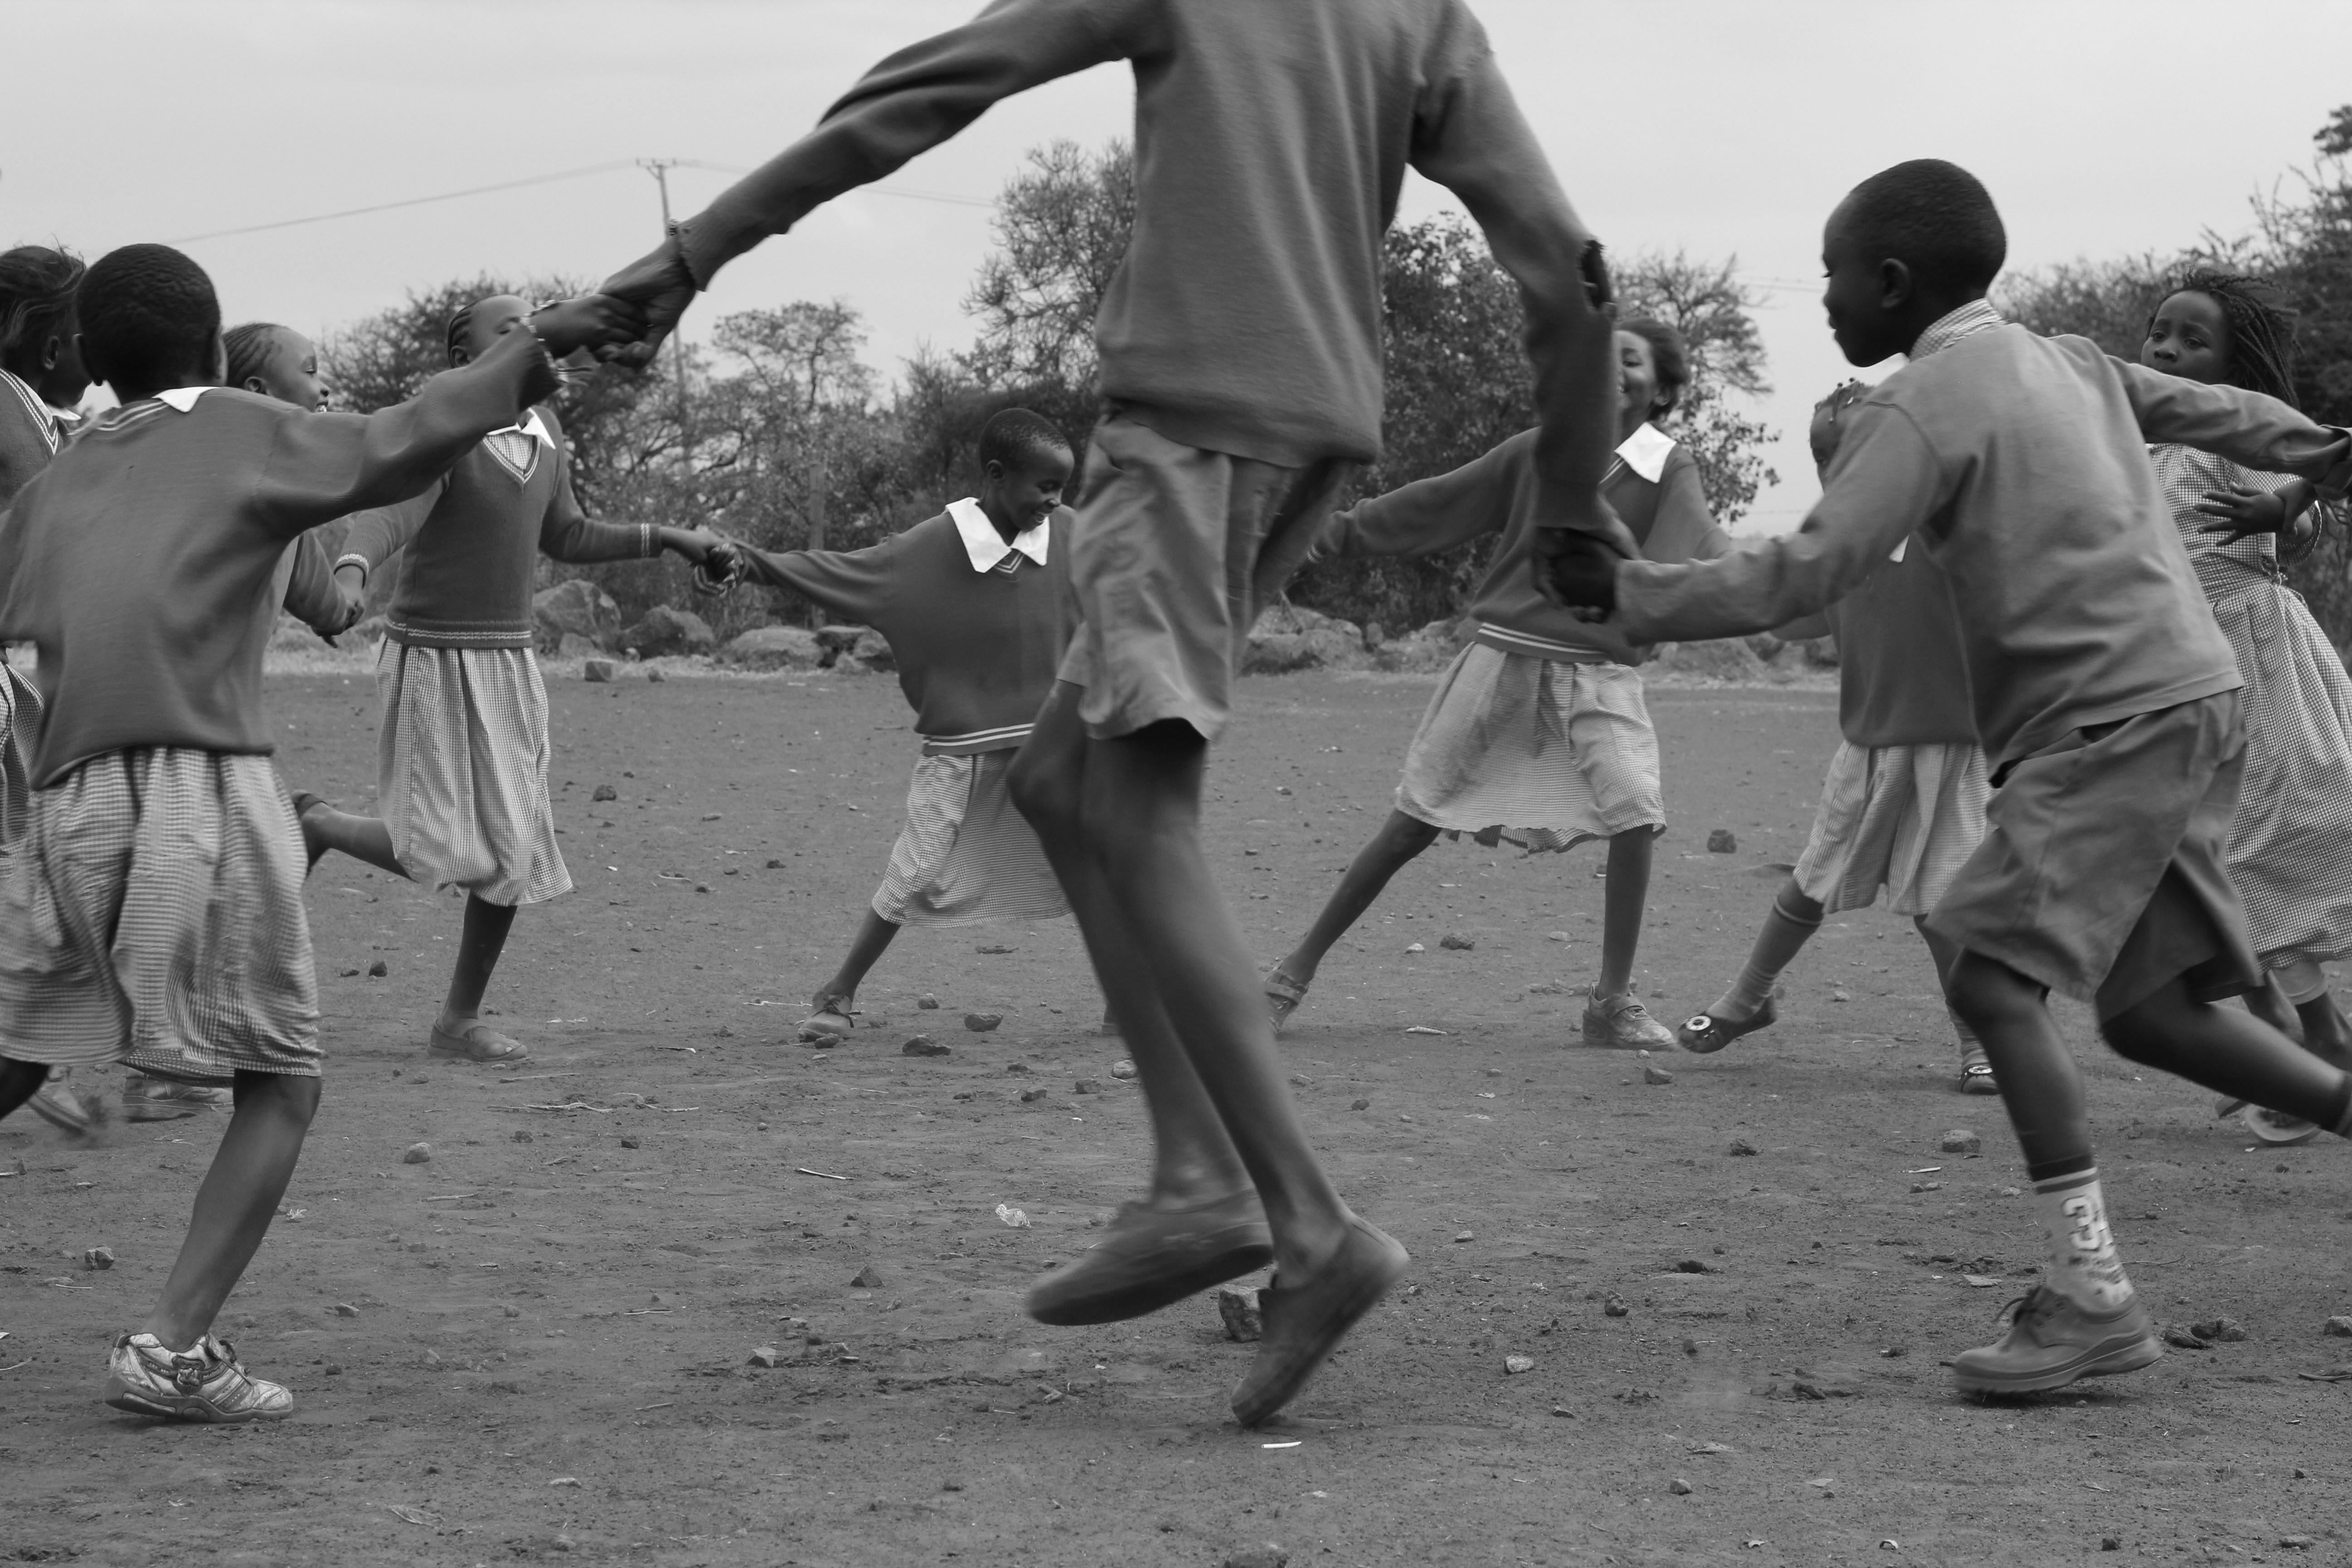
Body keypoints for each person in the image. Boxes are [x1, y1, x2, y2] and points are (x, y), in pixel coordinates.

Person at [594, 0, 1628, 1425]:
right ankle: (1201, 1177)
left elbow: (923, 90)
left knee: (1135, 813)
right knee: (1075, 786)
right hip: (1309, 438)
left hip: (1187, 433)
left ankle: (1284, 1218)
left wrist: (686, 256)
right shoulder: (1418, 18)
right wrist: (1573, 495)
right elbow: (1573, 279)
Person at [1543, 159, 2352, 1397]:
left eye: (1828, 276)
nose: (1820, 300)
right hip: (2182, 697)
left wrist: (1633, 591)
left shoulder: (1917, 407)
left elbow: (1808, 570)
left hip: (2104, 717)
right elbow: (2204, 408)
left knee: (1984, 969)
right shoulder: (2066, 359)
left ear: (1892, 282)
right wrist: (2321, 447)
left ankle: (2092, 1300)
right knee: (2148, 1013)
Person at [0, 242, 634, 1421]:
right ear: (214, 345)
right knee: (282, 1082)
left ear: (87, 356)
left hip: (66, 804)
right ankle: (176, 1348)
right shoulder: (245, 431)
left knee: (23, 1052)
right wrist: (564, 336)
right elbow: (415, 432)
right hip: (200, 788)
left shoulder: (57, 480)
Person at [1262, 319, 1726, 1048]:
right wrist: (1328, 531)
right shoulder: (1537, 452)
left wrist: (1617, 533)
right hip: (1504, 657)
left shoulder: (1670, 468)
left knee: (1638, 811)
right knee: (1413, 822)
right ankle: (1288, 978)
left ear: (1662, 388)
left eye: (1630, 361)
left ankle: (1611, 1003)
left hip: (1601, 671)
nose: (1612, 372)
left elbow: (1677, 568)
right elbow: (1433, 505)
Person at [292, 294, 721, 1067]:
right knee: (448, 847)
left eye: (537, 325)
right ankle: (319, 824)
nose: (534, 336)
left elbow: (568, 532)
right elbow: (390, 513)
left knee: (513, 849)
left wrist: (670, 539)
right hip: (432, 657)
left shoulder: (545, 432)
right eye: (511, 329)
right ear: (468, 364)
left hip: (509, 662)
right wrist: (352, 573)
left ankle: (457, 1021)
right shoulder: (448, 427)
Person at [713, 408, 1083, 1039]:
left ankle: (1126, 1001)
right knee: (914, 872)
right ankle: (838, 991)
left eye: (1062, 487)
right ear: (995, 476)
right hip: (960, 751)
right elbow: (832, 572)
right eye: (1043, 485)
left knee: (1103, 865)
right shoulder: (924, 552)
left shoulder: (1074, 536)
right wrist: (745, 561)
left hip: (1054, 744)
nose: (1054, 499)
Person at [1676, 379, 1995, 1094]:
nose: (1839, 470)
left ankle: (1981, 1042)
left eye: (1858, 452)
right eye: (1826, 456)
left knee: (1943, 909)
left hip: (1951, 746)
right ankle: (1748, 998)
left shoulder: (1951, 531)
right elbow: (1788, 614)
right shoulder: (1836, 549)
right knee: (1810, 882)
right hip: (1869, 745)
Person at [2135, 273, 2352, 1144]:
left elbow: (2333, 464)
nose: (2169, 351)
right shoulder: (2143, 441)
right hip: (2173, 669)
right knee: (2190, 859)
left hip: (2250, 657)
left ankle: (2309, 1039)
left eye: (2194, 341)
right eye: (2161, 333)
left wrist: (2284, 505)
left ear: (2233, 365)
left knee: (2252, 848)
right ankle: (2284, 1036)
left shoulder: (2234, 426)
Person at [0, 245, 103, 1136]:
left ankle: (35, 1055)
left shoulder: (41, 417)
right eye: (85, 331)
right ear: (46, 348)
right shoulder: (8, 417)